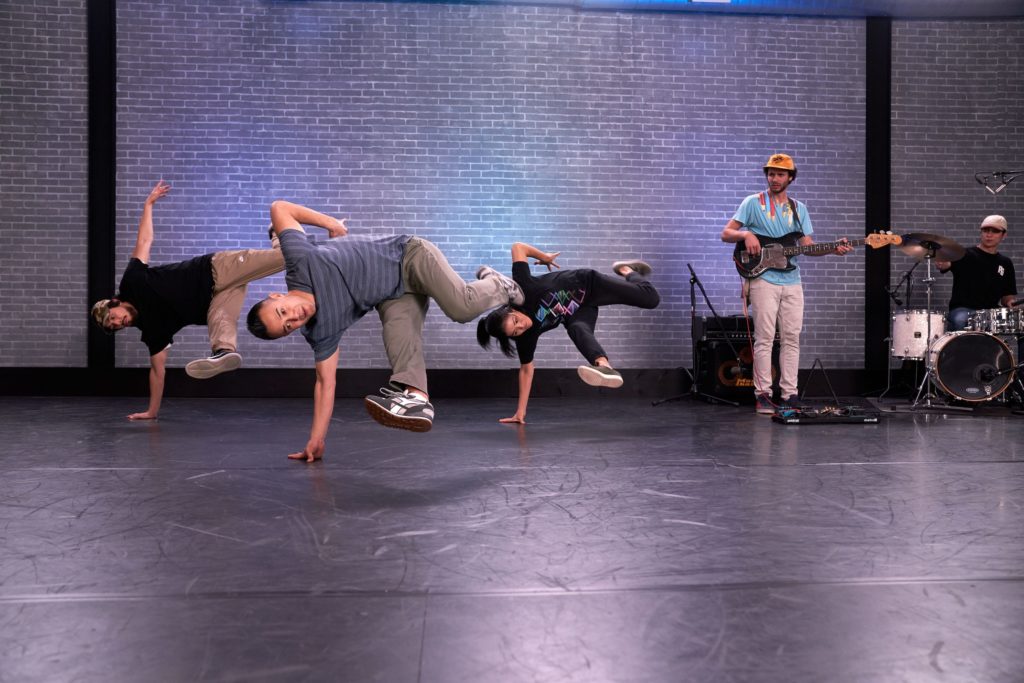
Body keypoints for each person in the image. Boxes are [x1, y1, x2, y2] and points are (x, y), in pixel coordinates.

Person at [246, 200, 523, 463]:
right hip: (394, 295)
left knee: (461, 307)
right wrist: (316, 440)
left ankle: (498, 283)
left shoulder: (299, 262)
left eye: (284, 311)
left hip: (409, 255)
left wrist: (331, 223)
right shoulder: (321, 331)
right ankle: (416, 398)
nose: (294, 317)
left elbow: (279, 208)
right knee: (398, 339)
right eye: (288, 327)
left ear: (276, 296)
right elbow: (324, 384)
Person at [90, 181, 286, 420]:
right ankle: (223, 352)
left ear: (114, 303)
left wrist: (148, 204)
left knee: (289, 257)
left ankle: (278, 234)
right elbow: (157, 372)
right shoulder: (153, 332)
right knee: (222, 323)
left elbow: (144, 242)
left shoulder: (132, 283)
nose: (119, 323)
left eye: (113, 318)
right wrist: (151, 411)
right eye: (115, 327)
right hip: (217, 301)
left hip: (215, 270)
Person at [720, 153, 852, 415]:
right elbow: (726, 233)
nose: (774, 178)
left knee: (792, 338)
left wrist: (832, 249)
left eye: (780, 174)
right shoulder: (753, 202)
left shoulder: (798, 208)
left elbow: (808, 248)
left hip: (792, 280)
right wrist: (746, 234)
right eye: (771, 173)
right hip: (762, 278)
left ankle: (789, 394)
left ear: (790, 178)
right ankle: (763, 395)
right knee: (764, 338)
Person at [475, 242, 660, 424]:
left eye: (516, 321)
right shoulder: (526, 336)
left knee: (651, 298)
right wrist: (520, 412)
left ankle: (627, 270)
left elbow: (517, 247)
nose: (522, 327)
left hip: (588, 284)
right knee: (577, 329)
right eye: (516, 332)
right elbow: (526, 370)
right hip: (576, 312)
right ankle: (604, 366)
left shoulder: (523, 291)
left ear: (512, 310)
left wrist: (544, 257)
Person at [936, 215, 1017, 331]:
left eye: (995, 231)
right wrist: (943, 263)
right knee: (961, 320)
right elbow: (946, 264)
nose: (989, 235)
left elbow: (1007, 296)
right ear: (981, 232)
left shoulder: (1005, 263)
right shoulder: (964, 254)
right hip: (963, 309)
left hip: (991, 313)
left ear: (1004, 235)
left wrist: (1010, 302)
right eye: (985, 230)